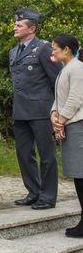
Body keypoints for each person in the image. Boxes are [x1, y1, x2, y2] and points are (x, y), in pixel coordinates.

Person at [10, 9, 61, 210]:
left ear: (32, 29)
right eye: (15, 24)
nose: (15, 27)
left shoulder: (43, 49)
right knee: (24, 154)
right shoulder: (14, 52)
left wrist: (57, 109)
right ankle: (34, 191)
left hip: (41, 110)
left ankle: (48, 196)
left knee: (46, 155)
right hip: (20, 110)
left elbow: (57, 79)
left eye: (19, 25)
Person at [50, 34, 83, 237]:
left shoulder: (77, 68)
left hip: (77, 125)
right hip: (69, 123)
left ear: (67, 49)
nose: (52, 51)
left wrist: (61, 120)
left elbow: (75, 98)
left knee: (81, 174)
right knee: (78, 175)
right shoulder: (65, 69)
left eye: (55, 48)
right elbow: (59, 98)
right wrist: (54, 114)